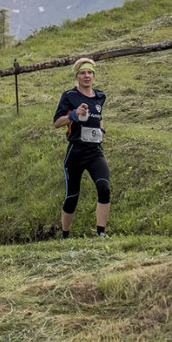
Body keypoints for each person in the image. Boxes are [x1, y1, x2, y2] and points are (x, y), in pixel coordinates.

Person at [52, 57, 111, 239]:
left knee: (104, 188)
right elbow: (56, 122)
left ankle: (101, 233)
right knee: (72, 197)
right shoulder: (69, 96)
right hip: (75, 153)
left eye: (90, 73)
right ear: (77, 76)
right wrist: (73, 114)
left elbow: (98, 115)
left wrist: (100, 127)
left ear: (93, 76)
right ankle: (65, 235)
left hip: (95, 152)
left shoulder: (100, 96)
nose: (87, 76)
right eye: (83, 73)